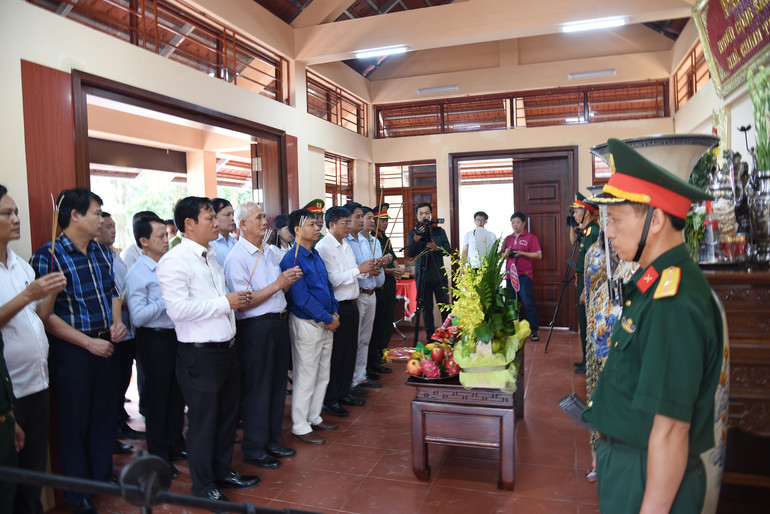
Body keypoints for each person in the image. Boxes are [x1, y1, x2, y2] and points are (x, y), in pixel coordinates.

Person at [582, 138, 722, 513]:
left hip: (647, 476)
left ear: (655, 220)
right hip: (630, 463)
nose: (609, 232)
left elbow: (672, 428)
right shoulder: (652, 282)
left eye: (616, 219)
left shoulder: (673, 301)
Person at [30, 188, 128, 513]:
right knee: (73, 422)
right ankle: (77, 493)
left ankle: (101, 477)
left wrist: (117, 322)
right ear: (75, 215)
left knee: (104, 416)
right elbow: (45, 316)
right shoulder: (50, 255)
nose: (101, 220)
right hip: (73, 350)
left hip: (107, 344)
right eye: (96, 213)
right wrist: (88, 343)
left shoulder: (101, 252)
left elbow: (113, 291)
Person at [156, 196, 258, 504]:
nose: (217, 223)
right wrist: (225, 303)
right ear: (189, 224)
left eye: (216, 217)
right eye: (210, 218)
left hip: (226, 350)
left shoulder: (211, 257)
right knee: (204, 422)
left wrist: (228, 304)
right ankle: (203, 487)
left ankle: (222, 470)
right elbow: (178, 310)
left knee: (227, 418)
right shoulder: (174, 261)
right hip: (200, 354)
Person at [0, 185, 66, 514]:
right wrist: (28, 295)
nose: (16, 219)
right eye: (7, 213)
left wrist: (49, 292)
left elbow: (38, 317)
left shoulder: (22, 267)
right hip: (8, 391)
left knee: (33, 471)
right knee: (9, 480)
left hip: (37, 382)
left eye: (16, 212)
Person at [224, 202, 301, 469]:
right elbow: (243, 302)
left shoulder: (268, 251)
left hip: (278, 323)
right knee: (258, 388)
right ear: (243, 224)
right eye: (258, 218)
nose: (264, 222)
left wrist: (287, 281)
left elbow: (277, 291)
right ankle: (254, 447)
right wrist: (278, 284)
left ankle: (271, 440)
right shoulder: (236, 257)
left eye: (264, 217)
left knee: (277, 386)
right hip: (256, 328)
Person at [125, 211, 186, 478]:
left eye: (167, 235)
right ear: (144, 241)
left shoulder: (169, 265)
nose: (166, 240)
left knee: (176, 395)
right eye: (160, 236)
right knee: (157, 399)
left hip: (175, 336)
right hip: (153, 339)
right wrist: (167, 299)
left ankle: (176, 443)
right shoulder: (138, 273)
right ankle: (159, 454)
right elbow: (138, 317)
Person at [280, 209, 339, 445]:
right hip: (307, 323)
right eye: (312, 225)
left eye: (317, 224)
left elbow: (328, 286)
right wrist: (327, 317)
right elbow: (300, 297)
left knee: (323, 373)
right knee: (305, 375)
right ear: (297, 230)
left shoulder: (315, 255)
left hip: (326, 321)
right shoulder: (292, 259)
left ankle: (314, 416)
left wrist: (334, 312)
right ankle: (300, 424)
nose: (317, 228)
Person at [315, 205, 375, 418]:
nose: (349, 226)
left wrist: (366, 271)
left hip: (352, 304)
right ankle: (331, 398)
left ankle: (345, 391)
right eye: (345, 222)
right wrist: (359, 270)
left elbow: (352, 274)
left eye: (350, 222)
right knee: (337, 355)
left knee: (350, 351)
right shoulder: (324, 247)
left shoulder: (346, 245)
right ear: (331, 225)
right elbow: (332, 280)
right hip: (338, 307)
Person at [95, 212, 145, 447]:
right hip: (113, 329)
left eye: (114, 225)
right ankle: (113, 427)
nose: (112, 230)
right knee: (112, 382)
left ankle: (119, 421)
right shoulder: (97, 257)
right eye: (107, 226)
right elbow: (113, 294)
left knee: (124, 377)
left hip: (128, 327)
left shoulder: (114, 255)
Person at [343, 204, 382, 396]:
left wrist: (376, 267)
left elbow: (368, 267)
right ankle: (350, 380)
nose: (361, 220)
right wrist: (364, 271)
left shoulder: (365, 240)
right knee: (354, 340)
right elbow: (350, 271)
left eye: (361, 217)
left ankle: (361, 375)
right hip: (357, 294)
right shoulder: (346, 242)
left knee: (365, 339)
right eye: (357, 217)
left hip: (371, 291)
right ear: (348, 219)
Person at [406, 202, 451, 341]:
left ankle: (447, 336)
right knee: (426, 308)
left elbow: (448, 250)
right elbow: (410, 253)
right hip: (423, 275)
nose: (424, 216)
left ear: (431, 215)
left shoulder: (439, 231)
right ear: (417, 216)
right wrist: (416, 239)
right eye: (421, 213)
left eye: (426, 213)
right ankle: (430, 338)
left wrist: (437, 248)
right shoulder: (413, 233)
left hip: (439, 274)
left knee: (445, 306)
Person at [368, 203, 400, 377]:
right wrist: (390, 271)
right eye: (382, 220)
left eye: (387, 220)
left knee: (388, 317)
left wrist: (398, 269)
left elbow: (393, 258)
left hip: (390, 283)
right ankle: (377, 353)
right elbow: (375, 264)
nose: (385, 223)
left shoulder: (386, 238)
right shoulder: (372, 240)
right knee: (379, 320)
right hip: (379, 283)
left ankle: (384, 348)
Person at [570, 192, 599, 374]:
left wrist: (585, 289)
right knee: (583, 320)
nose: (574, 215)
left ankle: (590, 361)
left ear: (586, 212)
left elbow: (593, 263)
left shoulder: (593, 232)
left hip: (588, 282)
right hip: (581, 279)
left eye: (576, 211)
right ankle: (585, 358)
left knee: (588, 321)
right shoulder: (587, 231)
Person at [503, 212, 542, 341]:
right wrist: (506, 253)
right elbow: (501, 256)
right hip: (510, 277)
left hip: (524, 277)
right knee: (513, 305)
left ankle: (533, 330)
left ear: (524, 223)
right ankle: (517, 330)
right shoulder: (507, 239)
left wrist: (522, 253)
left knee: (528, 303)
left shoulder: (531, 238)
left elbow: (538, 255)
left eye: (517, 222)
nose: (515, 225)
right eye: (513, 222)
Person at [211, 198, 237, 267]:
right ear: (214, 217)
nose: (232, 218)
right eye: (227, 215)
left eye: (233, 214)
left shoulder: (235, 242)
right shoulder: (210, 245)